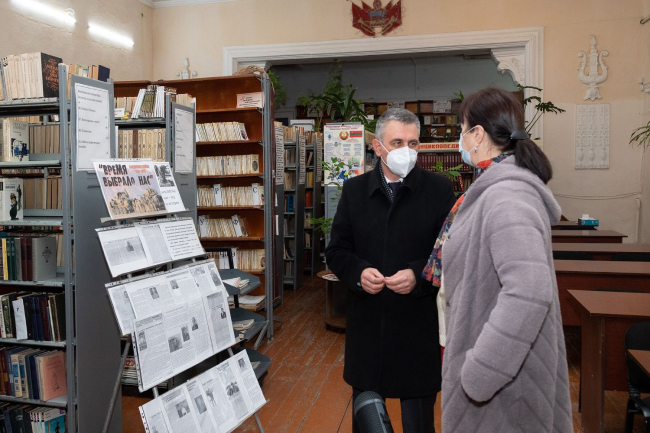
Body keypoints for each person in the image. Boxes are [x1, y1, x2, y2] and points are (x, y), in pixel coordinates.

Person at [438, 88, 572, 432]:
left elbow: (529, 290)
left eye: (462, 130)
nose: (460, 140)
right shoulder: (496, 188)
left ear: (478, 134)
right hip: (506, 380)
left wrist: (481, 371)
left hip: (506, 390)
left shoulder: (507, 195)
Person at [325, 108, 456, 433]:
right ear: (377, 146)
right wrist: (358, 273)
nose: (406, 151)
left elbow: (451, 252)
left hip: (418, 326)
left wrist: (419, 274)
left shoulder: (439, 190)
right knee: (368, 419)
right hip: (369, 326)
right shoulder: (355, 191)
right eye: (397, 142)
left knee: (418, 422)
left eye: (413, 143)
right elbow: (337, 251)